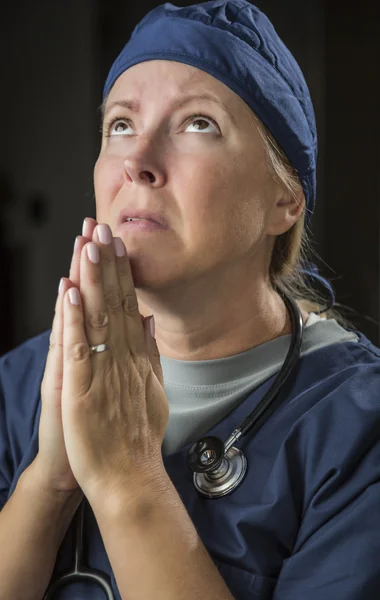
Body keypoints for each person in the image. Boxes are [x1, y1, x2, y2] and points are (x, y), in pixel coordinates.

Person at [0, 1, 379, 598]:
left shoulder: (358, 429)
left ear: (286, 201)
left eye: (198, 124)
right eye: (120, 125)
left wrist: (132, 482)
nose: (138, 163)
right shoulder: (22, 385)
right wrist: (48, 481)